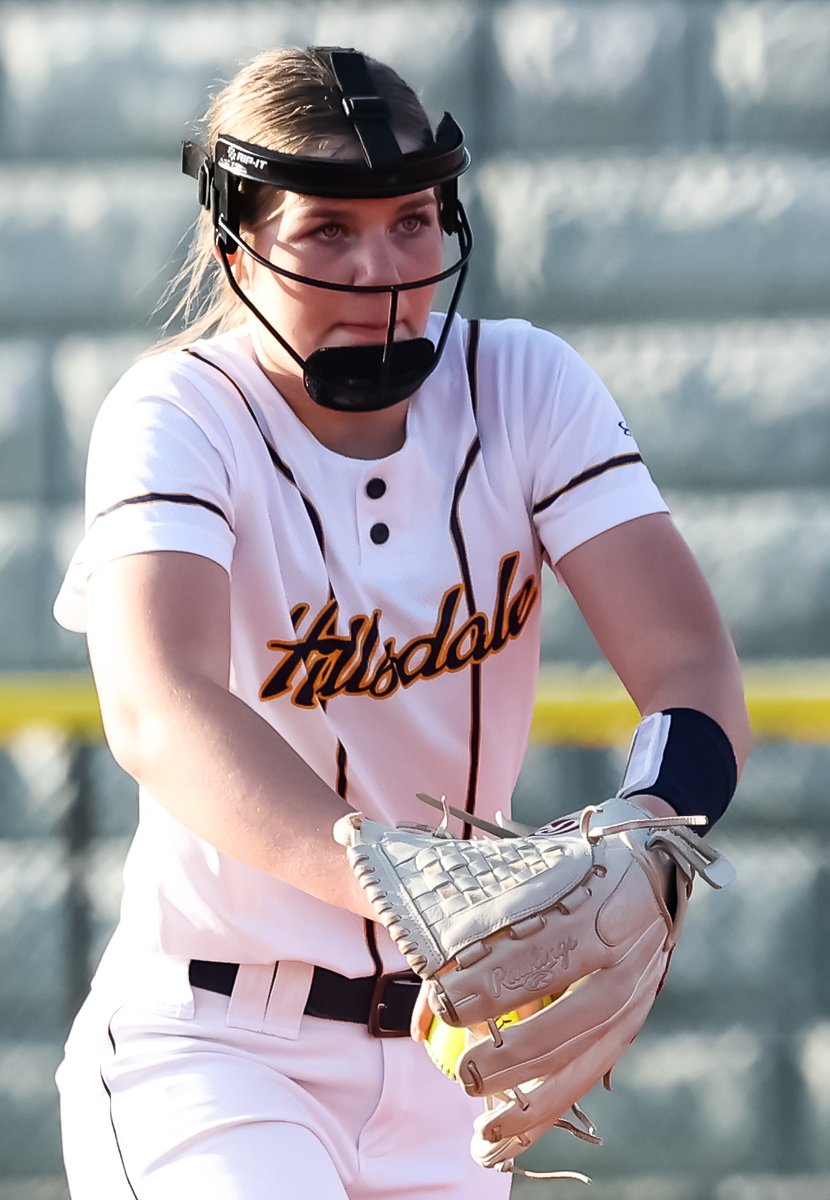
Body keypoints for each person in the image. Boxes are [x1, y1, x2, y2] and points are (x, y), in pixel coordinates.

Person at [53, 45, 751, 1200]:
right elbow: (156, 707)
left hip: (449, 1065)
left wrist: (650, 839)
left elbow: (685, 664)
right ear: (237, 247)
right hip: (217, 1049)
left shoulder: (525, 386)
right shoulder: (176, 408)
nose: (382, 268)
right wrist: (410, 878)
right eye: (327, 229)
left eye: (413, 220)